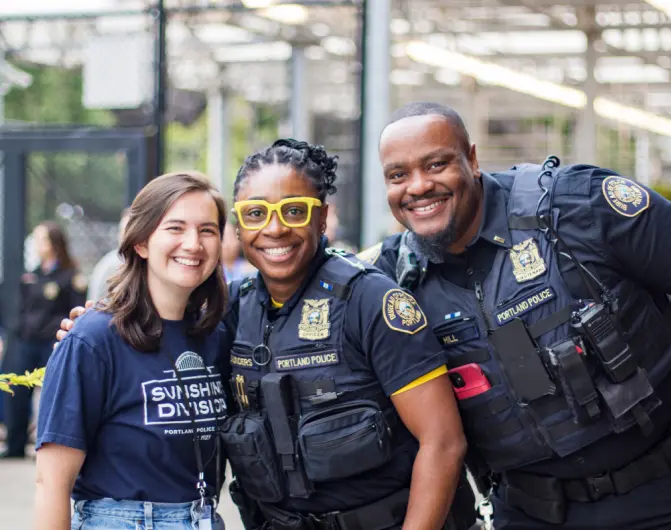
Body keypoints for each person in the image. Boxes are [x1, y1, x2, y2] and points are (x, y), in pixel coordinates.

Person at [357, 101, 671, 529]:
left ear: (471, 159)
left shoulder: (576, 205)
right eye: (398, 175)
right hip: (530, 512)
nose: (417, 186)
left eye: (436, 165)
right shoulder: (394, 283)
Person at [58, 140, 473, 530]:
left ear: (322, 218)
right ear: (238, 227)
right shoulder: (232, 312)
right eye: (255, 214)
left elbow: (443, 442)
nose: (274, 229)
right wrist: (97, 325)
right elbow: (159, 334)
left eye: (294, 210)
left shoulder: (370, 301)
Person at [35, 172, 229, 530]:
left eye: (207, 230)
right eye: (175, 228)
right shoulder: (93, 338)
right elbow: (51, 482)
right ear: (141, 243)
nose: (193, 243)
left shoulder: (215, 336)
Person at [1, 221, 87, 459]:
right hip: (26, 342)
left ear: (53, 244)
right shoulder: (31, 276)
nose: (37, 245)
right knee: (16, 390)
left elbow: (75, 311)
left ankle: (48, 446)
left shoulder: (71, 276)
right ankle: (15, 445)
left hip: (52, 343)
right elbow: (21, 310)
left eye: (41, 239)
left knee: (53, 394)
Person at [86, 207, 131, 301]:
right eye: (121, 231)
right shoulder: (111, 266)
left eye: (128, 232)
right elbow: (96, 306)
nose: (123, 237)